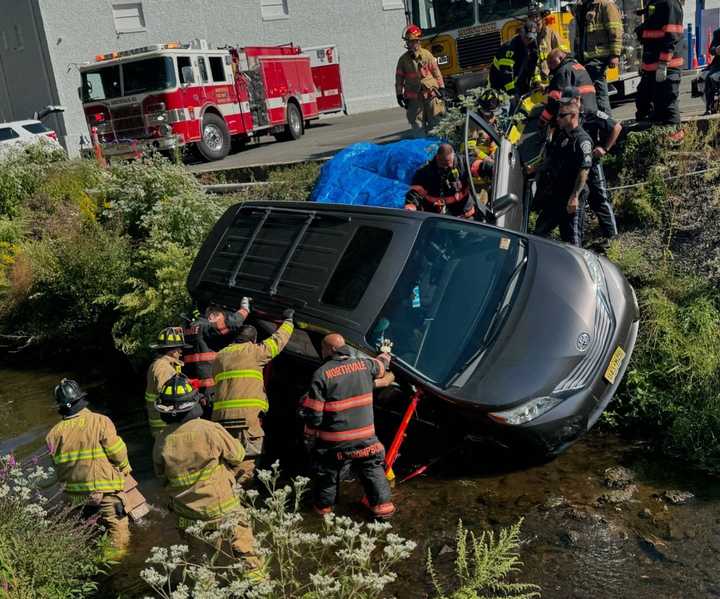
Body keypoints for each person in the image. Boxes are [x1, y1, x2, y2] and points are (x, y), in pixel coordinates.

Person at [153, 374, 262, 573]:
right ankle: (258, 589)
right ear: (194, 404)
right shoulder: (209, 429)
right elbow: (237, 456)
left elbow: (162, 477)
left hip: (188, 516)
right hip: (222, 507)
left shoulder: (161, 440)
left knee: (200, 564)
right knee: (245, 552)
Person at [299, 333, 396, 518]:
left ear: (329, 350)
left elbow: (314, 416)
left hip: (335, 444)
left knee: (327, 474)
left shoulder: (322, 374)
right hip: (366, 441)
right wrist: (385, 353)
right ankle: (383, 510)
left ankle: (323, 511)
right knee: (372, 469)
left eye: (322, 348)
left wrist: (310, 439)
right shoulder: (365, 365)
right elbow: (382, 366)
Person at [46, 379, 132, 560]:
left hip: (76, 498)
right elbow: (117, 453)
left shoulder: (52, 435)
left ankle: (90, 563)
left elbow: (58, 466)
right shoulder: (100, 421)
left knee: (90, 535)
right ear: (81, 400)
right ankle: (112, 569)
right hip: (106, 493)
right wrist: (124, 467)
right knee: (118, 537)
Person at [211, 309, 295, 483]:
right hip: (246, 422)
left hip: (220, 421)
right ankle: (241, 499)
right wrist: (288, 321)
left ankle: (226, 492)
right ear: (253, 340)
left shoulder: (220, 356)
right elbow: (277, 342)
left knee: (226, 462)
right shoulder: (254, 352)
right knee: (246, 464)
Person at [533, 100, 593, 246]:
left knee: (572, 242)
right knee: (538, 234)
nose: (557, 118)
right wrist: (534, 168)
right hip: (556, 195)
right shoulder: (563, 136)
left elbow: (584, 170)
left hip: (571, 197)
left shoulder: (582, 140)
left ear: (572, 116)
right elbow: (551, 159)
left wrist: (575, 197)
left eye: (561, 115)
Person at [183, 298, 251, 409]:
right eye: (220, 315)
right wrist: (244, 309)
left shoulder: (188, 328)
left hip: (192, 389)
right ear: (211, 316)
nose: (223, 317)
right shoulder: (204, 328)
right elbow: (233, 323)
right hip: (208, 391)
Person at [635, 0, 684, 126]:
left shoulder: (670, 3)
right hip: (651, 67)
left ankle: (675, 141)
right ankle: (657, 139)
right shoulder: (656, 2)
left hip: (667, 67)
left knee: (668, 106)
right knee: (644, 104)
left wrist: (663, 63)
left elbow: (672, 35)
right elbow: (651, 29)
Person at [573, 0, 624, 114]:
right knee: (590, 96)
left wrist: (615, 55)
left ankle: (607, 125)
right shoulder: (584, 7)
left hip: (598, 58)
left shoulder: (606, 5)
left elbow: (615, 30)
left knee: (599, 95)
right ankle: (599, 124)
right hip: (584, 58)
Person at [395, 24, 446, 134]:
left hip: (431, 96)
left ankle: (437, 148)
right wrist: (399, 94)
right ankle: (421, 149)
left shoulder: (427, 55)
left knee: (436, 124)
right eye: (410, 42)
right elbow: (399, 79)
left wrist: (441, 87)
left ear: (419, 41)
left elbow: (436, 72)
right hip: (414, 99)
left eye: (415, 41)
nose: (412, 44)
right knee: (417, 126)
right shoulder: (403, 60)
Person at [404, 143, 476, 218]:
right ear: (437, 158)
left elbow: (476, 165)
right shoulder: (425, 172)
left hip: (464, 214)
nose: (446, 168)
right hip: (435, 217)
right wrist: (411, 205)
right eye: (443, 165)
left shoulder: (462, 163)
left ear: (453, 156)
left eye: (449, 164)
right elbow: (415, 192)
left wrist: (486, 167)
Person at [145, 327, 189, 436]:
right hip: (165, 425)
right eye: (179, 348)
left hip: (164, 424)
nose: (181, 352)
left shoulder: (163, 365)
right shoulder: (163, 368)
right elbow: (170, 396)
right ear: (172, 351)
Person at [540, 48, 598, 125]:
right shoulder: (577, 65)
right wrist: (549, 87)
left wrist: (543, 119)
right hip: (592, 108)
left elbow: (555, 97)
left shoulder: (562, 71)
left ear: (560, 58)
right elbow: (572, 85)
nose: (549, 66)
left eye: (550, 62)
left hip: (578, 113)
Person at [489, 20, 541, 95]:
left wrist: (537, 81)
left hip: (518, 79)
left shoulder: (533, 45)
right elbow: (506, 72)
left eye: (531, 38)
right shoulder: (510, 47)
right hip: (500, 82)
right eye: (526, 37)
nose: (528, 40)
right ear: (521, 33)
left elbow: (533, 65)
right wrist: (512, 91)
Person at [528, 1, 562, 86]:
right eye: (532, 17)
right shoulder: (528, 40)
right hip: (537, 84)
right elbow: (530, 63)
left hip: (554, 80)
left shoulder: (551, 34)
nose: (535, 20)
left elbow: (562, 57)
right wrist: (537, 81)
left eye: (537, 16)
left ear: (542, 17)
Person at [704, 28, 720, 114]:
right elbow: (711, 49)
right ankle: (709, 108)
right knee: (709, 78)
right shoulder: (718, 32)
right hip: (718, 65)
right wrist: (716, 50)